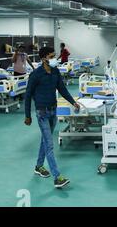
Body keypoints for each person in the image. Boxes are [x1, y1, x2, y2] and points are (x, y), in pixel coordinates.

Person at [24, 46, 80, 189]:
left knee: (45, 140)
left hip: (53, 112)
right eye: (51, 56)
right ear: (43, 59)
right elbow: (28, 95)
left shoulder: (55, 71)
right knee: (49, 145)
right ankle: (57, 177)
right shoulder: (36, 75)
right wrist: (27, 115)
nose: (55, 59)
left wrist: (73, 102)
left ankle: (38, 166)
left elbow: (62, 89)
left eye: (54, 56)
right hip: (41, 113)